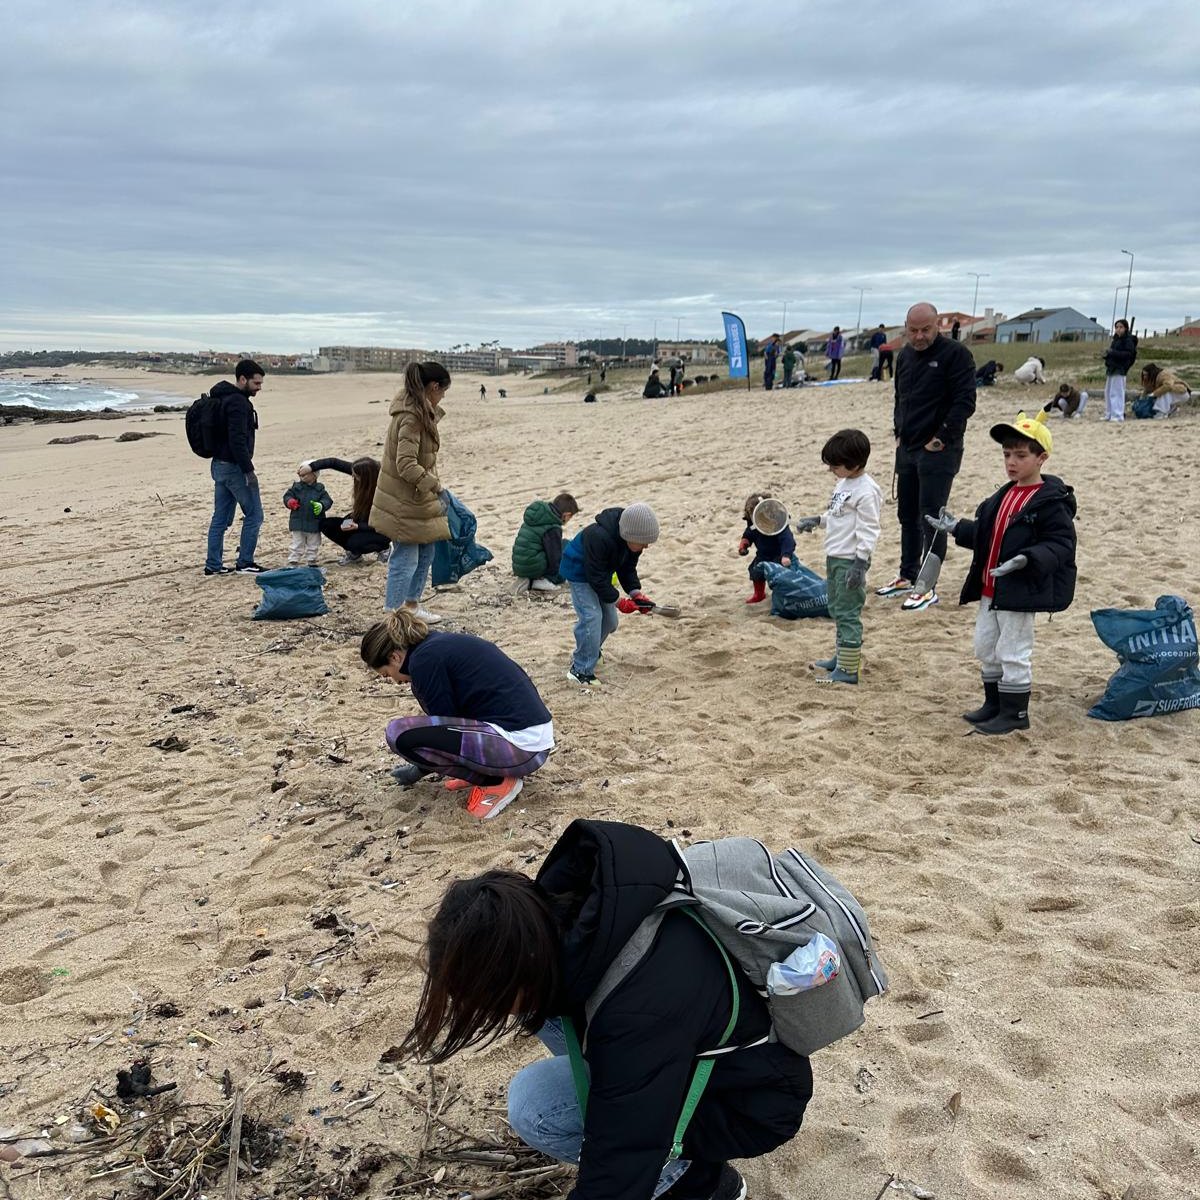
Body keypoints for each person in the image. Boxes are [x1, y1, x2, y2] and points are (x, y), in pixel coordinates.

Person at [399, 818, 814, 1200]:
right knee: (542, 1011)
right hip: (712, 1045)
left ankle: (699, 1184)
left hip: (751, 1104)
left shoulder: (634, 1012)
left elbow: (621, 1157)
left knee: (536, 1106)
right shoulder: (580, 908)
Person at [925, 411, 1076, 735]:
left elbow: (1061, 544)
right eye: (1007, 454)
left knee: (1013, 650)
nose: (1011, 462)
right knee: (986, 646)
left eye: (1021, 455)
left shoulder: (1050, 501)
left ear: (1041, 458)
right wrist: (957, 528)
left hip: (1019, 590)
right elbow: (987, 535)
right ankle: (993, 704)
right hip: (990, 588)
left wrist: (1027, 559)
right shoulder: (1003, 495)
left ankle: (1014, 713)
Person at [361, 609, 553, 819]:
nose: (395, 682)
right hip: (532, 743)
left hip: (521, 748)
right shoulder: (436, 646)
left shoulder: (424, 661)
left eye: (387, 674)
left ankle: (495, 781)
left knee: (398, 733)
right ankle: (485, 772)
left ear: (394, 657)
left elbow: (443, 728)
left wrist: (418, 769)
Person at [878, 303, 976, 611]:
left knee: (932, 517)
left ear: (938, 327)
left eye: (926, 330)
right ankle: (907, 574)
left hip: (939, 451)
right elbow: (900, 398)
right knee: (907, 515)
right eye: (913, 330)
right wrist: (898, 431)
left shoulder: (956, 354)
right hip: (907, 447)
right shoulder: (905, 355)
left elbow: (965, 402)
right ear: (905, 328)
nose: (919, 336)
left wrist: (942, 437)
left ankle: (926, 585)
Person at [795, 430, 882, 684]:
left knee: (847, 612)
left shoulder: (867, 491)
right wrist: (818, 520)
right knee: (836, 607)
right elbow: (838, 514)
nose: (831, 469)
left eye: (835, 465)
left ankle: (848, 670)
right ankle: (842, 657)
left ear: (854, 464)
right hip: (835, 556)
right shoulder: (844, 483)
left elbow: (869, 529)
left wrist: (859, 564)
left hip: (850, 561)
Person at [371, 361, 452, 622]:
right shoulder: (412, 416)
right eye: (443, 391)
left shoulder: (419, 410)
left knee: (426, 551)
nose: (443, 397)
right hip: (404, 499)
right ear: (434, 387)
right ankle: (393, 615)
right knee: (405, 557)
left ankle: (411, 606)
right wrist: (435, 485)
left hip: (417, 496)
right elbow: (406, 464)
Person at [560, 502, 659, 687]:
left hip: (600, 574)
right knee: (592, 617)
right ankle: (580, 670)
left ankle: (591, 650)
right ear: (629, 535)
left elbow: (627, 569)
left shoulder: (632, 543)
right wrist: (619, 601)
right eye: (643, 542)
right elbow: (594, 576)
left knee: (611, 621)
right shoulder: (599, 537)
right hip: (579, 572)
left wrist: (636, 594)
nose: (646, 546)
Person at [203, 359, 266, 576]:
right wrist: (249, 471)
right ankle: (245, 562)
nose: (259, 388)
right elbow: (237, 440)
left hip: (218, 465)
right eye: (256, 383)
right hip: (234, 467)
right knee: (255, 515)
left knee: (220, 518)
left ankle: (213, 565)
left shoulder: (222, 397)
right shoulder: (238, 403)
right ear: (242, 379)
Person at [307, 456, 391, 564]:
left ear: (366, 478)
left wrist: (358, 526)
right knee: (326, 524)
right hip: (362, 521)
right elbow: (333, 462)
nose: (353, 477)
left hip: (380, 531)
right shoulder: (361, 470)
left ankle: (384, 549)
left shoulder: (384, 492)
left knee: (354, 543)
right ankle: (355, 554)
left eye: (356, 477)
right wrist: (311, 467)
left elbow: (383, 524)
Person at [513, 492, 580, 592]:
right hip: (531, 567)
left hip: (520, 566)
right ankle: (546, 580)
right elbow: (554, 557)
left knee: (561, 543)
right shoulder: (553, 527)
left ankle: (534, 578)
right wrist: (557, 576)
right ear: (566, 515)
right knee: (567, 545)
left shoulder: (539, 516)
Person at [737, 492, 795, 606]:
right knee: (755, 571)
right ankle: (759, 594)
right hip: (763, 555)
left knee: (781, 576)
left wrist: (786, 555)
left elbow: (787, 540)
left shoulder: (778, 524)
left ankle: (784, 594)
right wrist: (744, 545)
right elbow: (748, 535)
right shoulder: (753, 525)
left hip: (779, 555)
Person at [282, 462, 333, 567]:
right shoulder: (296, 488)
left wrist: (321, 505)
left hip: (314, 522)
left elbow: (328, 500)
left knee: (313, 543)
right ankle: (293, 560)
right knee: (297, 542)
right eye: (300, 472)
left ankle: (311, 560)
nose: (301, 474)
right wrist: (290, 502)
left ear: (314, 475)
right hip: (298, 521)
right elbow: (287, 496)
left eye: (305, 472)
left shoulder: (320, 490)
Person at [1102, 319, 1138, 422]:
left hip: (1120, 368)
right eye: (1117, 327)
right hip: (1111, 368)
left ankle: (1117, 415)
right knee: (1108, 392)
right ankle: (1109, 413)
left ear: (1125, 328)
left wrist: (1113, 352)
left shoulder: (1128, 340)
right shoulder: (1116, 339)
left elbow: (1128, 354)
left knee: (1117, 392)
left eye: (1121, 327)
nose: (1118, 329)